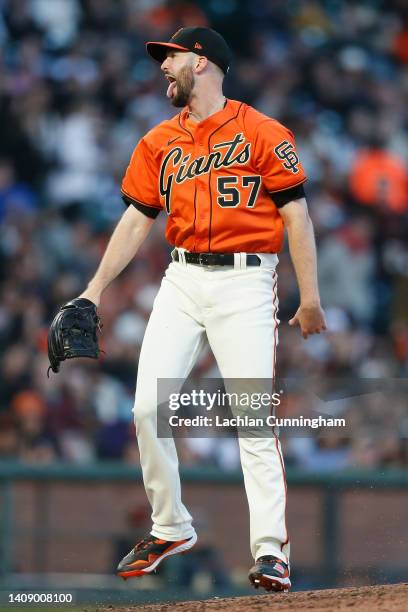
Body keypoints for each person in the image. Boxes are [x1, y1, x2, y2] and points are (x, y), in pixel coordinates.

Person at [78, 27, 326, 592]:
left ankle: (271, 552)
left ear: (204, 61)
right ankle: (171, 526)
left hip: (246, 282)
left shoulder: (264, 131)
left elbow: (297, 216)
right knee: (146, 410)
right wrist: (94, 289)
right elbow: (137, 218)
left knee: (252, 420)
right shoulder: (158, 140)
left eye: (172, 56)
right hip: (182, 276)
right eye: (163, 58)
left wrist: (309, 296)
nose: (163, 65)